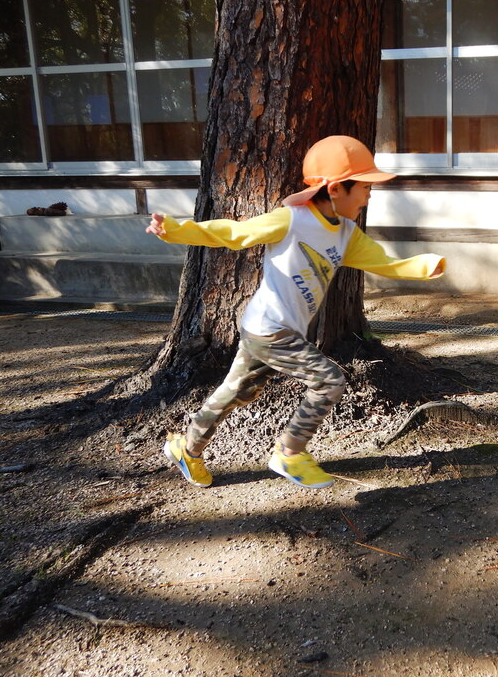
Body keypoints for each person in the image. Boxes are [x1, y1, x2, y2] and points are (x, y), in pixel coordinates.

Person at [146, 135, 445, 489]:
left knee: (234, 392)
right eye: (364, 188)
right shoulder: (292, 220)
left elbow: (383, 262)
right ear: (335, 189)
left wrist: (421, 266)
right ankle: (290, 452)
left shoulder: (347, 234)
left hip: (269, 330)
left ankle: (186, 448)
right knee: (329, 380)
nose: (368, 196)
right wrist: (179, 230)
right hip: (271, 329)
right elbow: (235, 233)